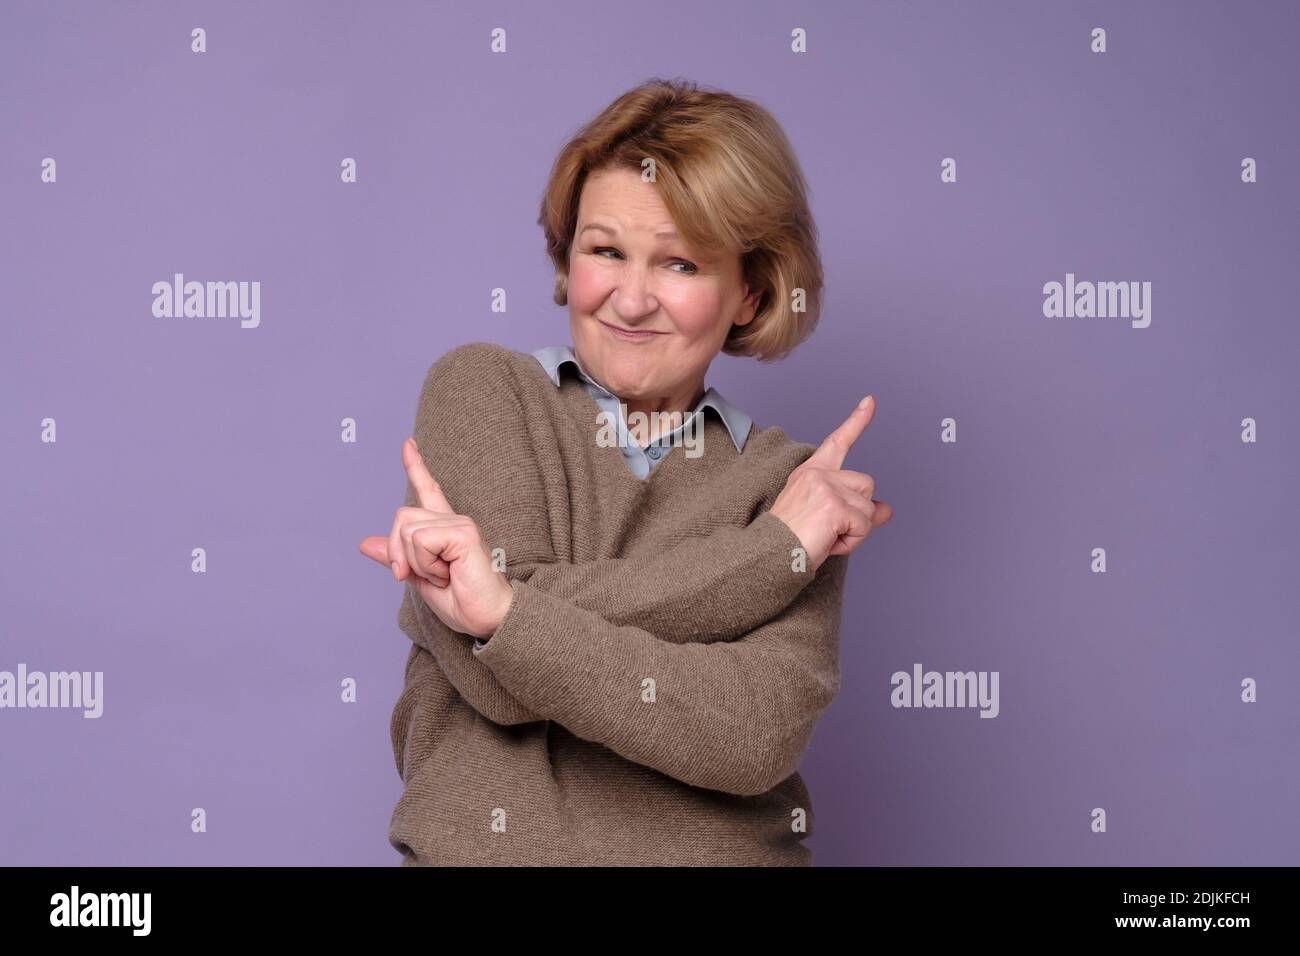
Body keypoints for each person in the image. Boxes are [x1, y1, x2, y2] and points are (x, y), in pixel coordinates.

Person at [358, 77, 892, 865]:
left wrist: (506, 613)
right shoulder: (482, 391)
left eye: (679, 265)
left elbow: (752, 739)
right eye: (605, 251)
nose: (632, 300)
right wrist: (772, 553)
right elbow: (497, 688)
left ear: (748, 292)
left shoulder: (795, 483)